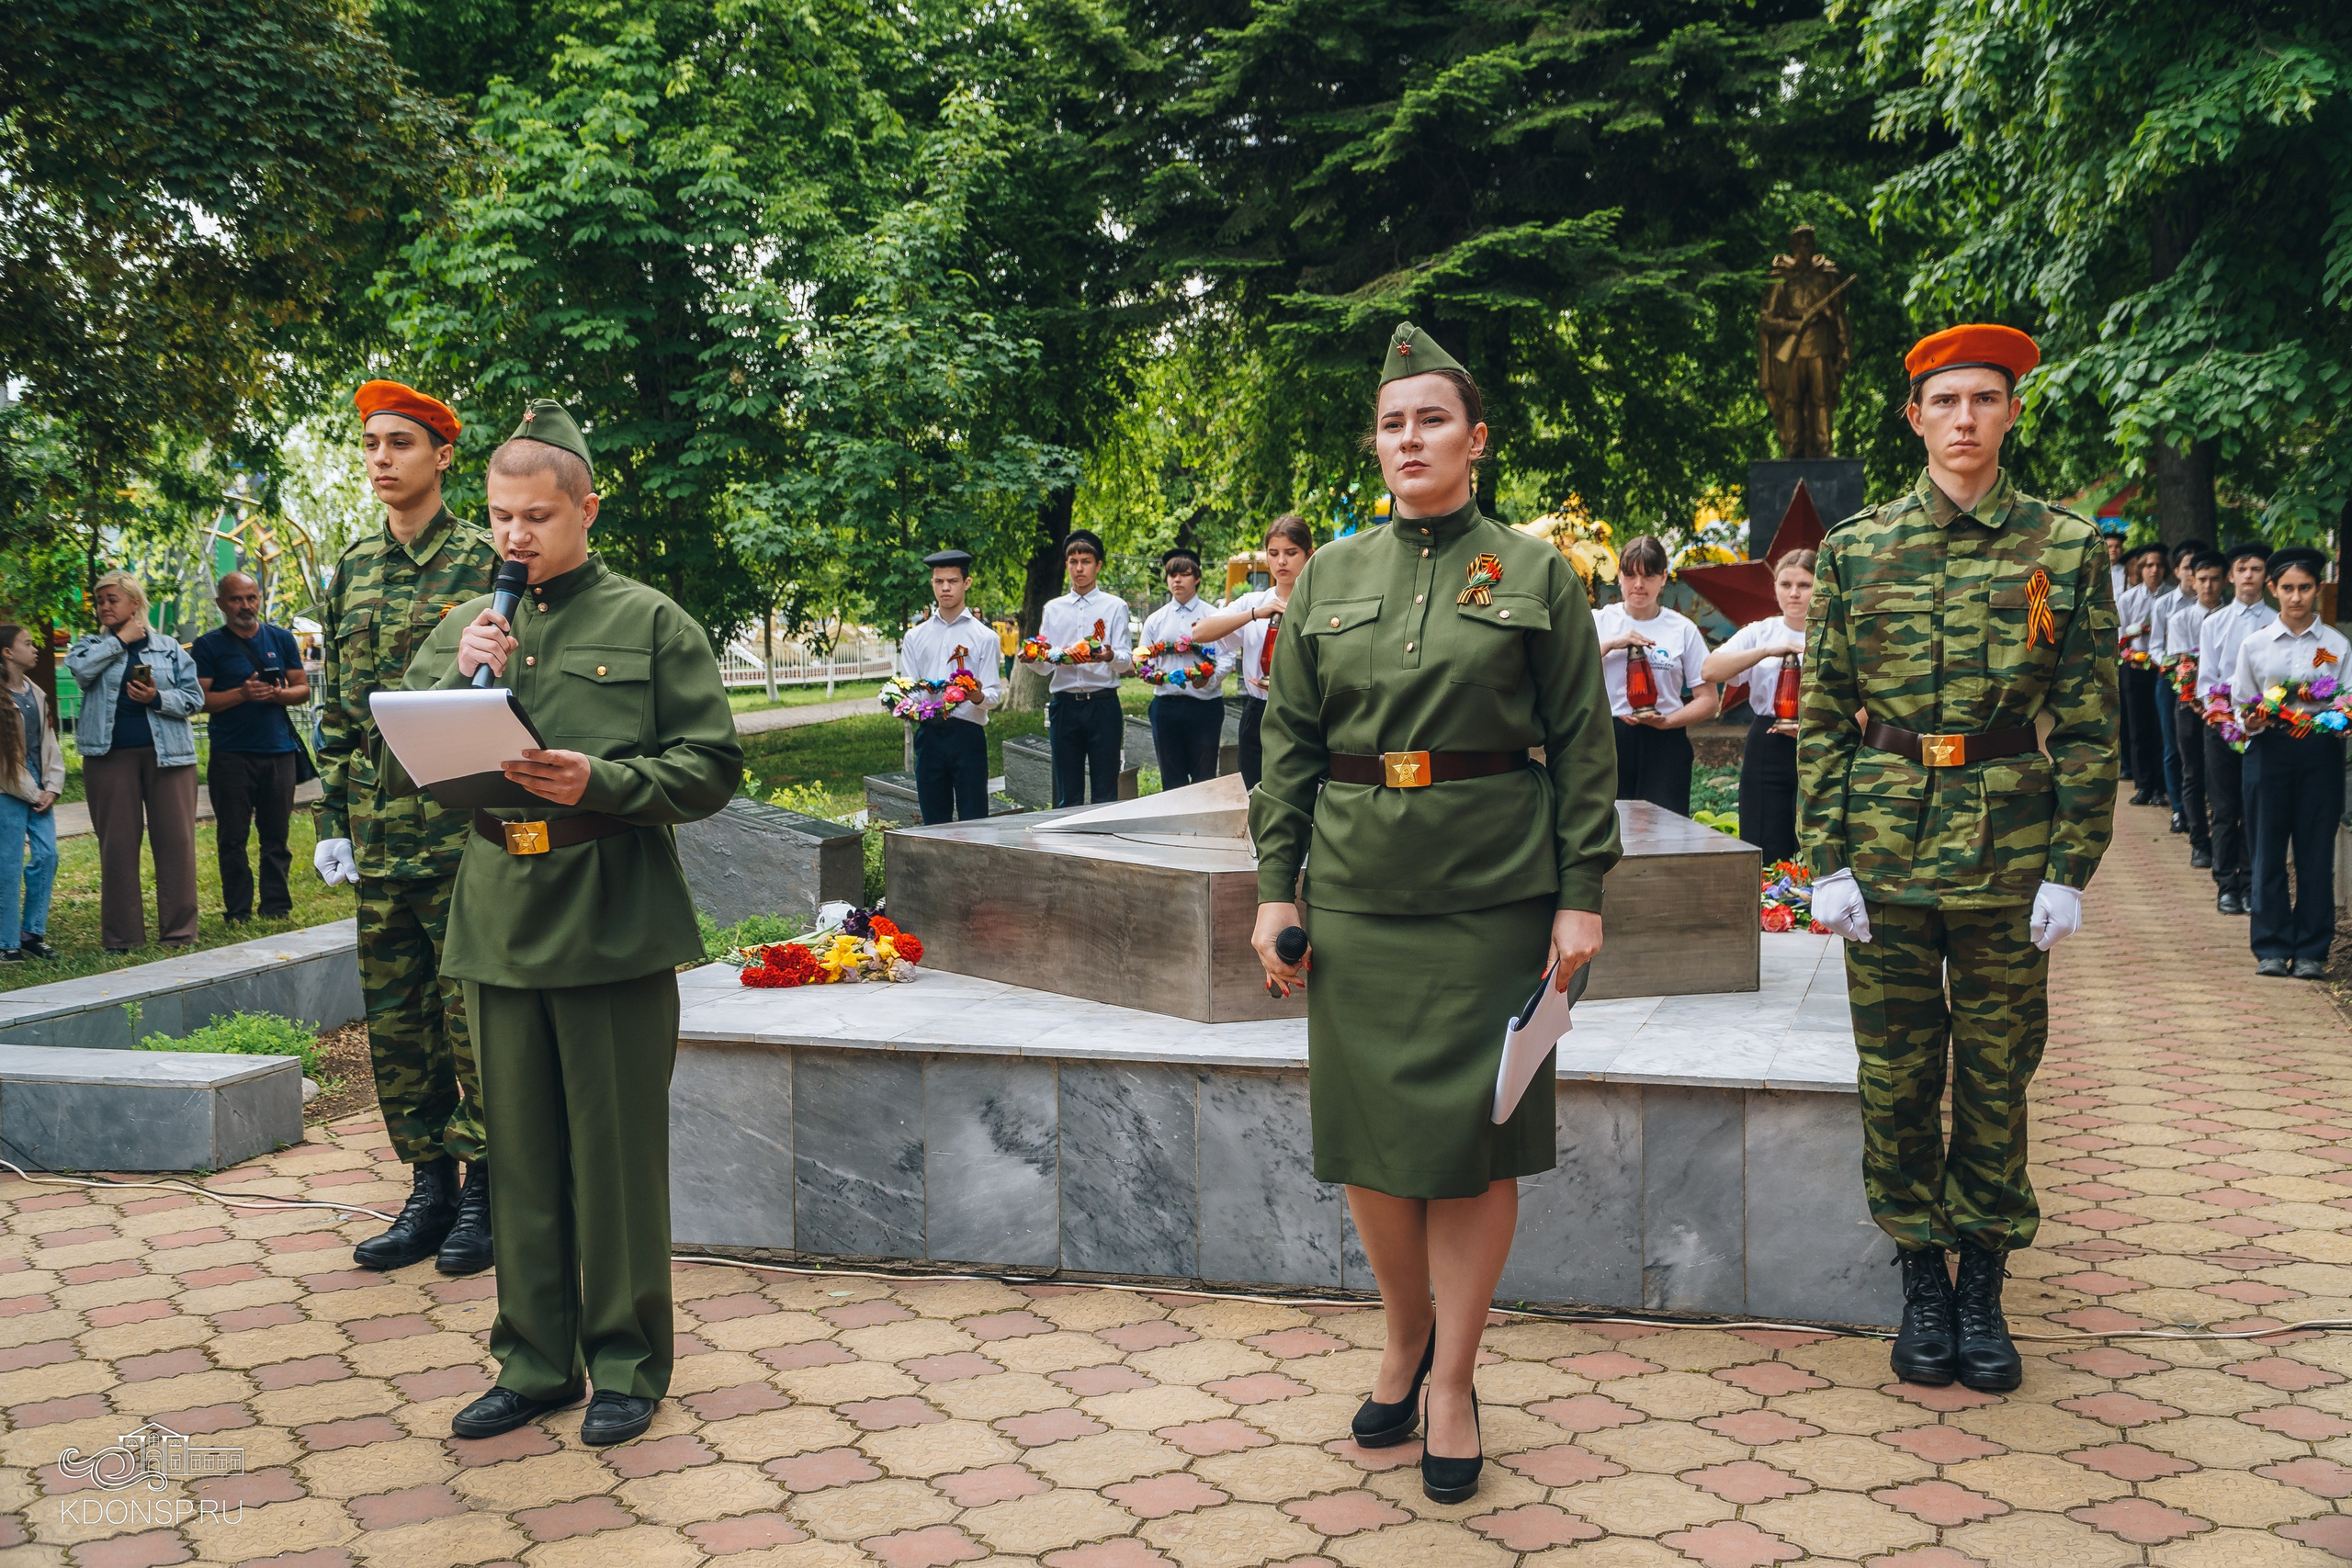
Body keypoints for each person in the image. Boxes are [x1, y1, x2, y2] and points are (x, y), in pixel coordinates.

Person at [1250, 322, 1620, 1504]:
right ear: (1378, 443)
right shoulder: (1330, 577)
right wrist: (1274, 889)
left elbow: (1580, 743)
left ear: (1475, 441)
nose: (1410, 438)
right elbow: (1289, 745)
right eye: (1393, 421)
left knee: (1473, 1144)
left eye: (1433, 419)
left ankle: (1452, 1380)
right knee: (1372, 1142)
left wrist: (1580, 898)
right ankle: (1401, 1336)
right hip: (1359, 895)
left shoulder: (1534, 571)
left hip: (1491, 897)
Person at [408, 400, 741, 1448]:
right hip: (500, 918)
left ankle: (630, 1363)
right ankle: (536, 1363)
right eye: (501, 517)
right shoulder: (470, 629)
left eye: (538, 517)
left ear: (586, 509)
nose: (515, 537)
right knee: (522, 1160)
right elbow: (395, 759)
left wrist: (601, 776)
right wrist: (456, 674)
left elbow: (711, 767)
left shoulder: (649, 621)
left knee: (614, 1159)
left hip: (609, 914)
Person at [1800, 323, 2118, 1394]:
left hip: (2008, 854)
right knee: (1894, 1080)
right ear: (1916, 418)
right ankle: (1917, 1276)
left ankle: (1980, 1276)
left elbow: (2084, 723)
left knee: (1995, 1077)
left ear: (2012, 412)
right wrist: (1824, 861)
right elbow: (1825, 720)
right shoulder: (1854, 549)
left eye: (1985, 399)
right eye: (1947, 402)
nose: (1966, 419)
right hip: (1884, 855)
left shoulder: (2067, 549)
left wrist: (2072, 864)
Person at [316, 380, 503, 1276]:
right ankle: (429, 1183)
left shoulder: (484, 561)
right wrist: (332, 817)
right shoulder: (352, 565)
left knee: (471, 1019)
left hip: (464, 840)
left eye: (399, 442)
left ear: (441, 455)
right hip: (380, 844)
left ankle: (490, 1190)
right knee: (398, 1026)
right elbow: (338, 714)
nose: (381, 458)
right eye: (371, 444)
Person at [66, 572, 205, 951]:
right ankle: (122, 938)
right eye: (100, 601)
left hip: (170, 758)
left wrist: (158, 699)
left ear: (134, 602)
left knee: (176, 845)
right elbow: (80, 673)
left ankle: (178, 935)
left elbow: (194, 699)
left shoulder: (169, 647)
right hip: (109, 758)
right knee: (117, 847)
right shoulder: (88, 646)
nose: (105, 607)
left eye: (113, 599)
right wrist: (119, 643)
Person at [2232, 547, 2346, 980]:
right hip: (2269, 752)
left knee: (2316, 854)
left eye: (2305, 588)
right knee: (2267, 850)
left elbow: (2346, 698)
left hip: (2320, 753)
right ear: (2273, 590)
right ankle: (2272, 947)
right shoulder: (2255, 644)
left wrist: (2343, 717)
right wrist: (2253, 716)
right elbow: (2241, 700)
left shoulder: (2335, 646)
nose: (2296, 597)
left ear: (2317, 589)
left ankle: (2313, 949)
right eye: (2287, 588)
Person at [191, 572, 311, 922]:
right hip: (231, 754)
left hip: (278, 752)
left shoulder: (281, 638)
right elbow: (201, 700)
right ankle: (238, 910)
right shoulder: (208, 645)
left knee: (277, 836)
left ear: (259, 599)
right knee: (232, 837)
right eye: (236, 599)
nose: (245, 606)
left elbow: (302, 689)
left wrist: (278, 694)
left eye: (251, 598)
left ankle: (276, 907)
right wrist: (242, 694)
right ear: (221, 604)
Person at [1701, 550, 1814, 862]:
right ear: (1774, 586)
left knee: (1816, 841)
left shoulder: (1833, 631)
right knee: (1765, 840)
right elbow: (1710, 670)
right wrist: (1764, 651)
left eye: (1804, 585)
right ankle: (1769, 908)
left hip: (1819, 738)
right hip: (1768, 739)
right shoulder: (1760, 632)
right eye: (1785, 584)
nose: (1794, 593)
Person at [1591, 536, 1717, 815]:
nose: (1639, 584)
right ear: (1620, 576)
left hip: (1664, 740)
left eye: (1648, 575)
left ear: (1663, 578)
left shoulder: (1682, 629)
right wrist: (1612, 644)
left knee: (1666, 826)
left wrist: (1669, 721)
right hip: (1608, 737)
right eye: (1631, 574)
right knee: (1608, 824)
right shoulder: (1598, 622)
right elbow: (1567, 665)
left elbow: (1708, 700)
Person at [1192, 517, 1314, 790]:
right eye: (1274, 554)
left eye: (1291, 553)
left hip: (1305, 712)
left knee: (1301, 793)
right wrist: (1254, 615)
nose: (1281, 561)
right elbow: (1199, 632)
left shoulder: (1320, 603)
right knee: (1256, 793)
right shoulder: (1254, 602)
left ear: (1309, 555)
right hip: (1259, 710)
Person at [2195, 542, 2277, 916]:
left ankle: (2251, 883)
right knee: (2226, 807)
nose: (2248, 575)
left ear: (2267, 577)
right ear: (2231, 575)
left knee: (2256, 807)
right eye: (2242, 568)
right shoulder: (2215, 623)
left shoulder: (2277, 625)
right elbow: (2206, 680)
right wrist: (2220, 711)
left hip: (2266, 727)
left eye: (2256, 569)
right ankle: (2226, 882)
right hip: (2223, 726)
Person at [897, 548, 1001, 823]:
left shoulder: (985, 637)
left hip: (967, 735)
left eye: (952, 581)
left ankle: (975, 866)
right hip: (929, 737)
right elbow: (910, 689)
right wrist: (903, 704)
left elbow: (994, 694)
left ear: (966, 583)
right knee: (933, 819)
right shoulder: (915, 637)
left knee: (974, 818)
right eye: (938, 581)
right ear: (931, 583)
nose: (945, 588)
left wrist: (976, 694)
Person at [1033, 531, 1133, 807]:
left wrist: (1109, 655)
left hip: (1102, 704)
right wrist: (1033, 658)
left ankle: (1102, 848)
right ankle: (1065, 848)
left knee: (1105, 790)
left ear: (1098, 565)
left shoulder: (1114, 606)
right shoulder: (1053, 609)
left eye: (1086, 561)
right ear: (1066, 564)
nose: (1079, 568)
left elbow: (1126, 660)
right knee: (1067, 792)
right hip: (1064, 706)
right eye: (1073, 561)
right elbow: (1044, 666)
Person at [1137, 547, 1235, 789]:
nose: (1177, 580)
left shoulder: (1214, 616)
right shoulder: (1155, 620)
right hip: (1166, 706)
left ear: (1197, 578)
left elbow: (1226, 657)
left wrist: (1209, 680)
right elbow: (1143, 656)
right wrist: (1147, 672)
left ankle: (1202, 825)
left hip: (1204, 706)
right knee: (1171, 777)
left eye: (1184, 574)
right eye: (1171, 575)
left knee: (1204, 776)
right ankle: (1174, 825)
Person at [0, 624, 62, 963]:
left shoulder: (36, 693)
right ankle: (6, 941)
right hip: (8, 787)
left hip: (38, 784)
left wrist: (51, 786)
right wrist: (32, 792)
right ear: (8, 653)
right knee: (6, 865)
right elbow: (4, 763)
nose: (35, 648)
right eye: (27, 643)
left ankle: (31, 933)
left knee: (47, 855)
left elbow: (49, 744)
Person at [2167, 551, 2229, 870]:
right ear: (2192, 581)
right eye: (2202, 579)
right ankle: (2199, 842)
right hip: (2190, 704)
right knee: (2192, 771)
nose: (2208, 586)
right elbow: (2182, 665)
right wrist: (2195, 697)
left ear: (2224, 580)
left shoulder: (2232, 619)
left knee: (2220, 777)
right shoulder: (2182, 620)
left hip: (2225, 710)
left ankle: (2224, 845)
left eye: (2214, 579)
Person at [2147, 540, 2211, 831]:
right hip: (2173, 683)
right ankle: (2178, 809)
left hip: (2208, 688)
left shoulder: (2214, 607)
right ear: (2178, 571)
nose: (2193, 574)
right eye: (2188, 568)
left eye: (2198, 568)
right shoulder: (2164, 605)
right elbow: (2155, 648)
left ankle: (2201, 805)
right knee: (2173, 745)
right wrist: (2176, 668)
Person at [2116, 542, 2171, 807]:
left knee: (2160, 727)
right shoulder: (2128, 600)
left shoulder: (2172, 598)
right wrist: (2129, 654)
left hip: (2165, 669)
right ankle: (2143, 784)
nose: (2154, 570)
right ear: (2140, 569)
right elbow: (2119, 636)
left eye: (2159, 565)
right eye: (2149, 565)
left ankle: (2161, 786)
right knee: (2137, 727)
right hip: (2135, 668)